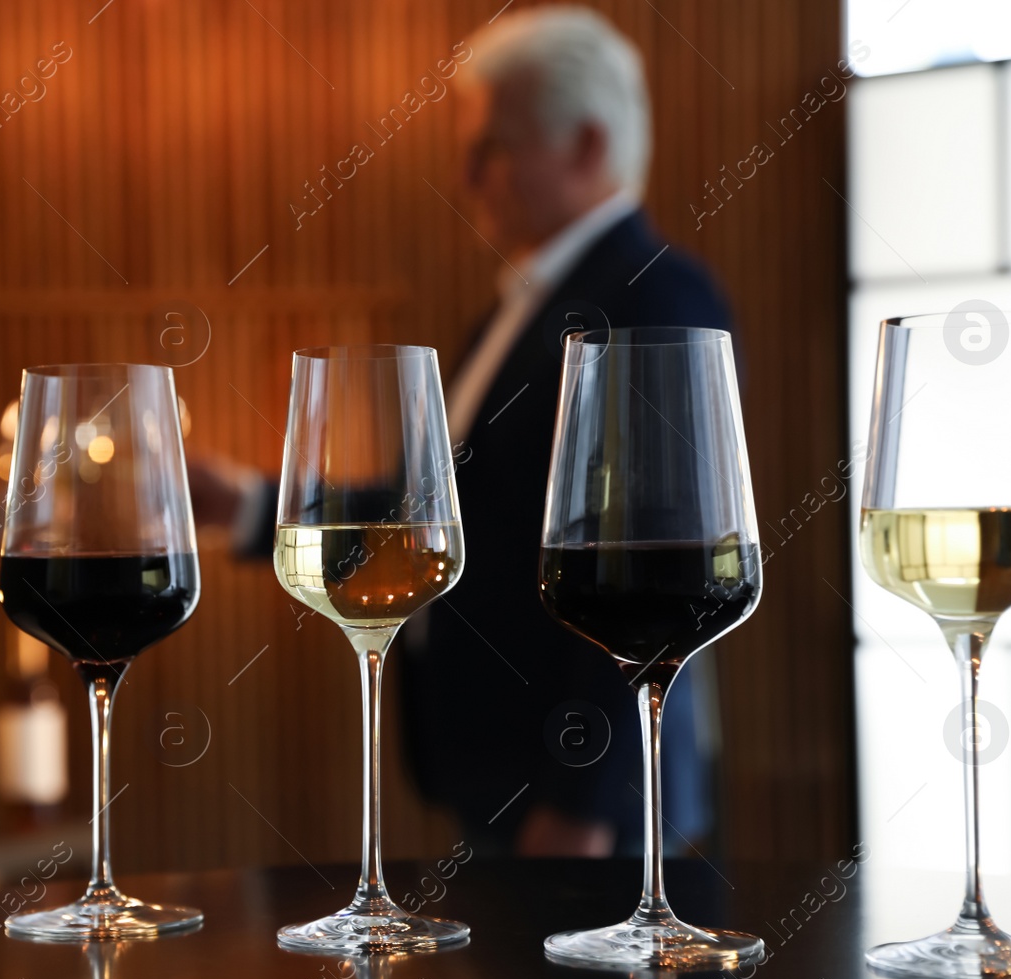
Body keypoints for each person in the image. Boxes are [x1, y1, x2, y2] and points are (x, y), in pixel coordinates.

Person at [192, 7, 733, 858]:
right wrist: (255, 504)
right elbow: (449, 515)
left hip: (587, 803)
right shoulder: (510, 315)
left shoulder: (652, 296)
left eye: (492, 148)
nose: (466, 175)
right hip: (498, 777)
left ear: (586, 146)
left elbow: (651, 580)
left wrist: (585, 802)